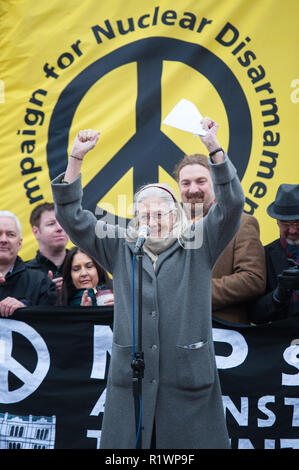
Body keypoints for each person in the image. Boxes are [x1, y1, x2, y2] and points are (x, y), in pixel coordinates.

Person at [51, 118, 245, 449]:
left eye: (161, 214)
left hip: (187, 387)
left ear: (176, 216)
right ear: (135, 219)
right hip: (133, 388)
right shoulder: (120, 245)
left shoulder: (199, 244)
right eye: (145, 214)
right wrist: (76, 159)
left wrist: (213, 147)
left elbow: (231, 206)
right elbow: (72, 218)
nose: (153, 221)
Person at [174, 153, 266, 324]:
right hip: (171, 333)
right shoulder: (163, 226)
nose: (193, 189)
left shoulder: (242, 224)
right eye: (185, 183)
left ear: (216, 184)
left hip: (223, 336)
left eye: (201, 181)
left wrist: (190, 294)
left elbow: (253, 279)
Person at [248, 184, 299, 323]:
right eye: (285, 224)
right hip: (283, 339)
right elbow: (253, 315)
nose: (293, 231)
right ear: (276, 221)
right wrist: (278, 294)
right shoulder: (264, 255)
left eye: (297, 223)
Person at [0, 211, 57, 317]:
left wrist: (26, 309)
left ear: (20, 243)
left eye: (10, 234)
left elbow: (50, 325)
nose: (3, 240)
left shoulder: (40, 282)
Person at [26, 202, 69, 298]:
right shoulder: (24, 273)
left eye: (62, 222)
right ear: (36, 232)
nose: (59, 228)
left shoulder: (88, 265)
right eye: (51, 224)